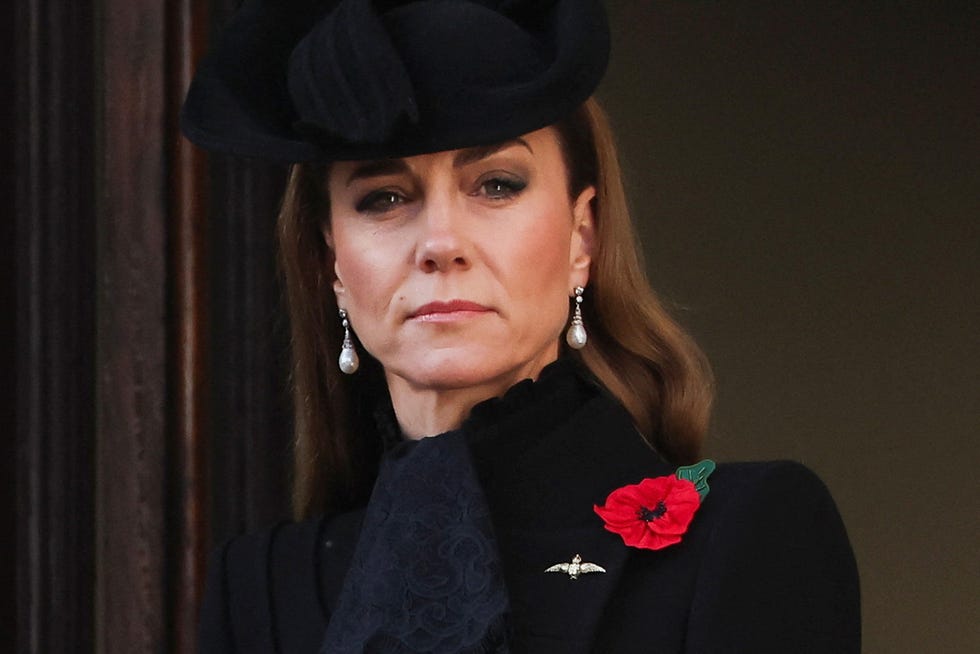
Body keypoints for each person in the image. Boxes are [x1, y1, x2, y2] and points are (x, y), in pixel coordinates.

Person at [182, 1, 861, 652]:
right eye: (384, 198)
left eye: (497, 185)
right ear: (331, 260)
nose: (441, 241)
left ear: (582, 238)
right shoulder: (261, 590)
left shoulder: (745, 537)